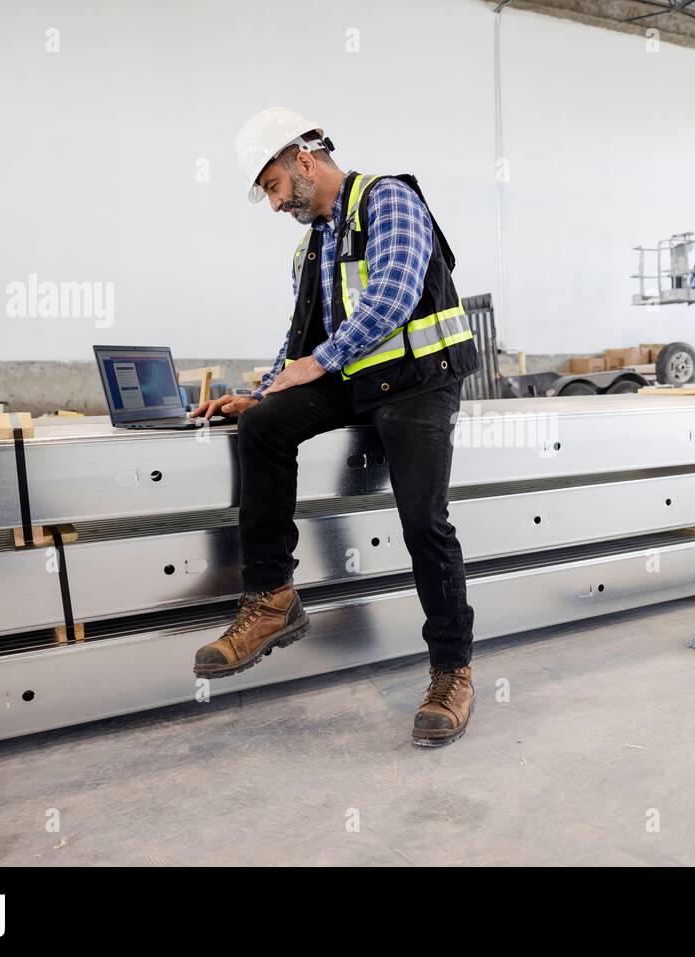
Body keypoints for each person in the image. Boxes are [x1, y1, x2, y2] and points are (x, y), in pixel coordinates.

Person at [188, 108, 480, 748]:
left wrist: (316, 365)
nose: (272, 204)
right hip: (359, 381)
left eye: (271, 186)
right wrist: (261, 391)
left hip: (420, 381)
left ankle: (452, 671)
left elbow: (394, 296)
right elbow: (303, 340)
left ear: (304, 161)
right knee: (263, 426)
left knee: (423, 525)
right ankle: (272, 600)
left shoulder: (389, 200)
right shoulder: (311, 245)